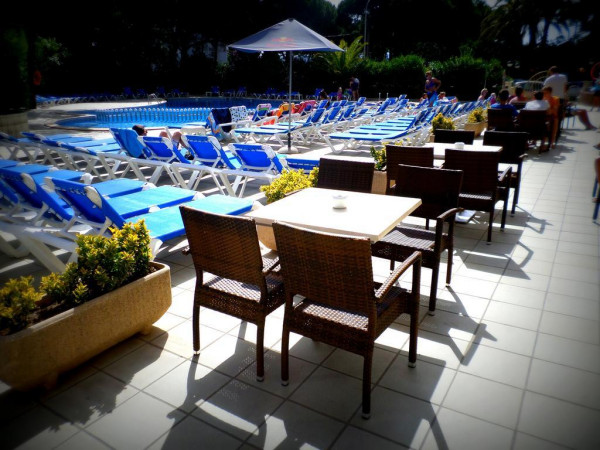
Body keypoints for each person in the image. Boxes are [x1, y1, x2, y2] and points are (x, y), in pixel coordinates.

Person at [544, 66, 568, 137]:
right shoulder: (564, 77)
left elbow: (545, 89)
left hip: (551, 98)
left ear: (551, 72)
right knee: (559, 115)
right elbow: (565, 88)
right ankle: (557, 131)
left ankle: (550, 130)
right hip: (560, 98)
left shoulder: (548, 79)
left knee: (551, 114)